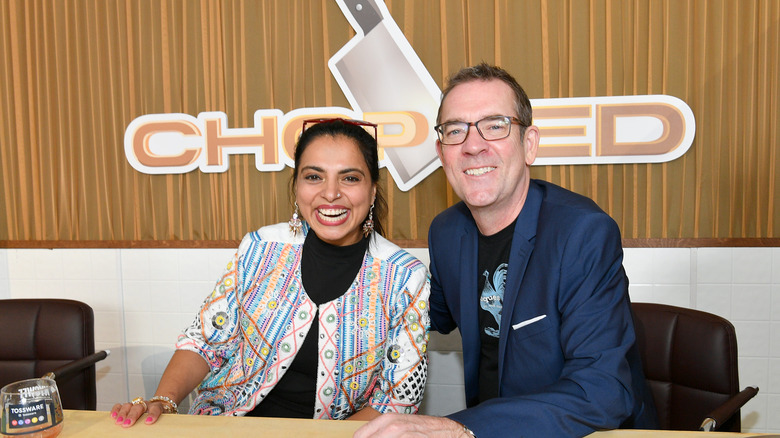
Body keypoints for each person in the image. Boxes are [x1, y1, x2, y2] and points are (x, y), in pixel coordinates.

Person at [354, 64, 658, 437]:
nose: (473, 144)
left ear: (528, 144)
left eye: (495, 125)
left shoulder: (582, 233)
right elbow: (421, 316)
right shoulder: (447, 231)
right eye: (455, 130)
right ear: (442, 152)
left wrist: (461, 427)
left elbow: (602, 392)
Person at [111, 118, 430, 427]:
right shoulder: (259, 247)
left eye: (349, 178)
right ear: (296, 187)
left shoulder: (404, 277)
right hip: (228, 425)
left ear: (372, 191)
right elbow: (206, 343)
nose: (330, 193)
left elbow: (397, 401)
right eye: (314, 177)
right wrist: (163, 401)